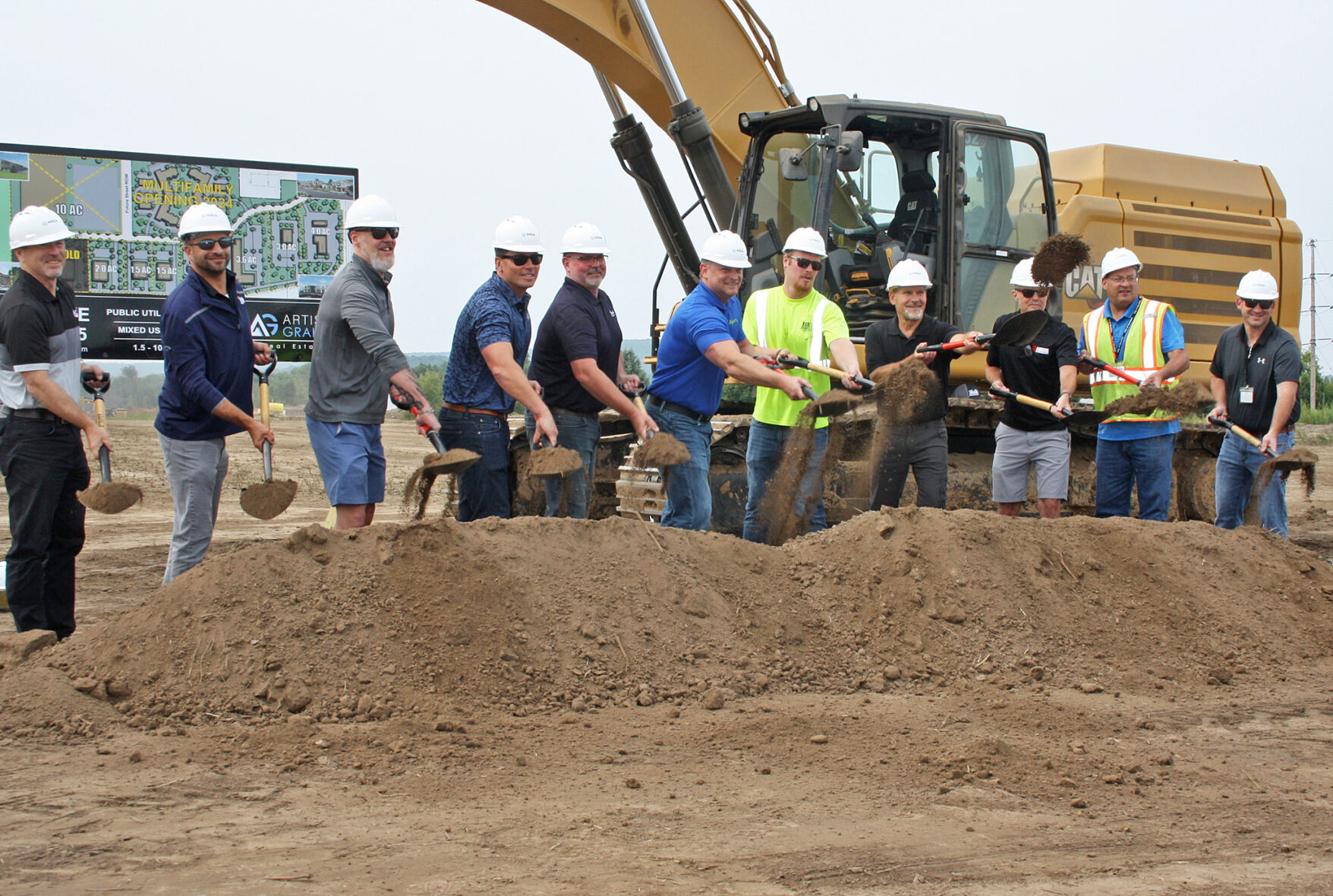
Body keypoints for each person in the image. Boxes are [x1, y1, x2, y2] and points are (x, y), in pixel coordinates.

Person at [644, 230, 808, 531]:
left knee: (686, 506)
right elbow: (732, 362)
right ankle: (676, 570)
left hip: (695, 420)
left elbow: (743, 349)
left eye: (738, 270)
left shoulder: (729, 303)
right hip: (675, 418)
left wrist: (772, 354)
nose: (734, 276)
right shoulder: (699, 312)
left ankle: (671, 566)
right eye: (726, 269)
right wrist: (784, 383)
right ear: (705, 271)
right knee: (694, 511)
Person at [0, 207, 110, 639]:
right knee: (31, 540)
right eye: (44, 245)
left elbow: (55, 367)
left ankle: (61, 630)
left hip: (59, 433)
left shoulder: (60, 292)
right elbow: (37, 384)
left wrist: (82, 372)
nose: (55, 252)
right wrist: (90, 424)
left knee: (66, 537)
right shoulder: (22, 308)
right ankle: (32, 633)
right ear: (19, 251)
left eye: (59, 243)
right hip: (30, 435)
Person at [157, 204, 275, 583]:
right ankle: (169, 620)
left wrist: (248, 346)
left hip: (211, 434)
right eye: (206, 243)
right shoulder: (182, 308)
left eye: (224, 241)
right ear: (187, 250)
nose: (218, 249)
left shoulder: (232, 290)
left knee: (201, 532)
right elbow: (193, 384)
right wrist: (249, 423)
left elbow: (222, 341)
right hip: (188, 434)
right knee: (191, 537)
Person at [307, 194, 437, 530]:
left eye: (393, 232)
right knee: (351, 513)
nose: (389, 239)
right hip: (338, 417)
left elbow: (370, 357)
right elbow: (383, 348)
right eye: (379, 232)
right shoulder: (353, 287)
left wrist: (393, 386)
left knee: (365, 510)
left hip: (364, 417)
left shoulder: (376, 285)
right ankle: (340, 581)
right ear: (355, 238)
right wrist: (424, 406)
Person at [526, 223, 656, 519]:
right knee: (566, 508)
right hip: (561, 420)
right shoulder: (571, 308)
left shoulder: (600, 299)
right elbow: (586, 372)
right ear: (567, 263)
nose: (595, 264)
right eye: (585, 258)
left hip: (581, 420)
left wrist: (620, 376)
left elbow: (610, 341)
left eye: (599, 257)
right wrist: (634, 413)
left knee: (579, 501)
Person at [740, 226, 862, 542]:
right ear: (786, 262)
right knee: (757, 505)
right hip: (766, 422)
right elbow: (746, 351)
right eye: (803, 263)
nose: (809, 270)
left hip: (811, 426)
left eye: (816, 265)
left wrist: (851, 369)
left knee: (807, 507)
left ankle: (811, 573)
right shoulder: (759, 303)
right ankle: (752, 569)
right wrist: (772, 358)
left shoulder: (825, 309)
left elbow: (840, 343)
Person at [442, 216, 558, 522]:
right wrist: (540, 411)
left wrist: (524, 384)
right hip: (474, 422)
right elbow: (502, 368)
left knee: (482, 514)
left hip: (481, 419)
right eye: (519, 259)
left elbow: (506, 370)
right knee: (490, 520)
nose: (530, 265)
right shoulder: (492, 306)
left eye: (536, 258)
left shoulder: (515, 304)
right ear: (499, 263)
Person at [1078, 247, 1190, 520]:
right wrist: (1082, 363)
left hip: (1152, 428)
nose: (1126, 284)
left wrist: (1160, 375)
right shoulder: (1090, 321)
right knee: (1108, 512)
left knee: (1154, 510)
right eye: (1118, 278)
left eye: (1131, 277)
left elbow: (1181, 358)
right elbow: (1083, 362)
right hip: (1111, 428)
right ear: (1105, 283)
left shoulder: (1159, 313)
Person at [864, 259, 982, 509]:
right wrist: (913, 360)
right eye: (908, 293)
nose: (916, 298)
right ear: (892, 296)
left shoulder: (937, 330)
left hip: (930, 433)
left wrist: (968, 340)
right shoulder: (876, 332)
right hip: (890, 430)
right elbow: (876, 375)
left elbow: (957, 340)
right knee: (881, 507)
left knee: (933, 506)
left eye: (921, 292)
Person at [1208, 269, 1301, 536]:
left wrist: (1272, 432)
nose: (1257, 309)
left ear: (1274, 305)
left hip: (1270, 442)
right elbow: (1216, 375)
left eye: (1265, 304)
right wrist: (1222, 405)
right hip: (1235, 438)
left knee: (1271, 520)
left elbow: (1287, 393)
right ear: (1239, 302)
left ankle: (1279, 573)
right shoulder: (1228, 339)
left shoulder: (1284, 345)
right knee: (1225, 518)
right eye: (1251, 302)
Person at [984, 258, 1078, 519]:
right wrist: (996, 383)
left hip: (1050, 431)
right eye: (1028, 292)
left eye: (1042, 292)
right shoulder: (1004, 326)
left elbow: (1068, 370)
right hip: (1012, 427)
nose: (1035, 298)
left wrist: (1065, 395)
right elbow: (992, 366)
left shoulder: (1061, 333)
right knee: (1007, 506)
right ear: (1015, 293)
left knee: (1050, 505)